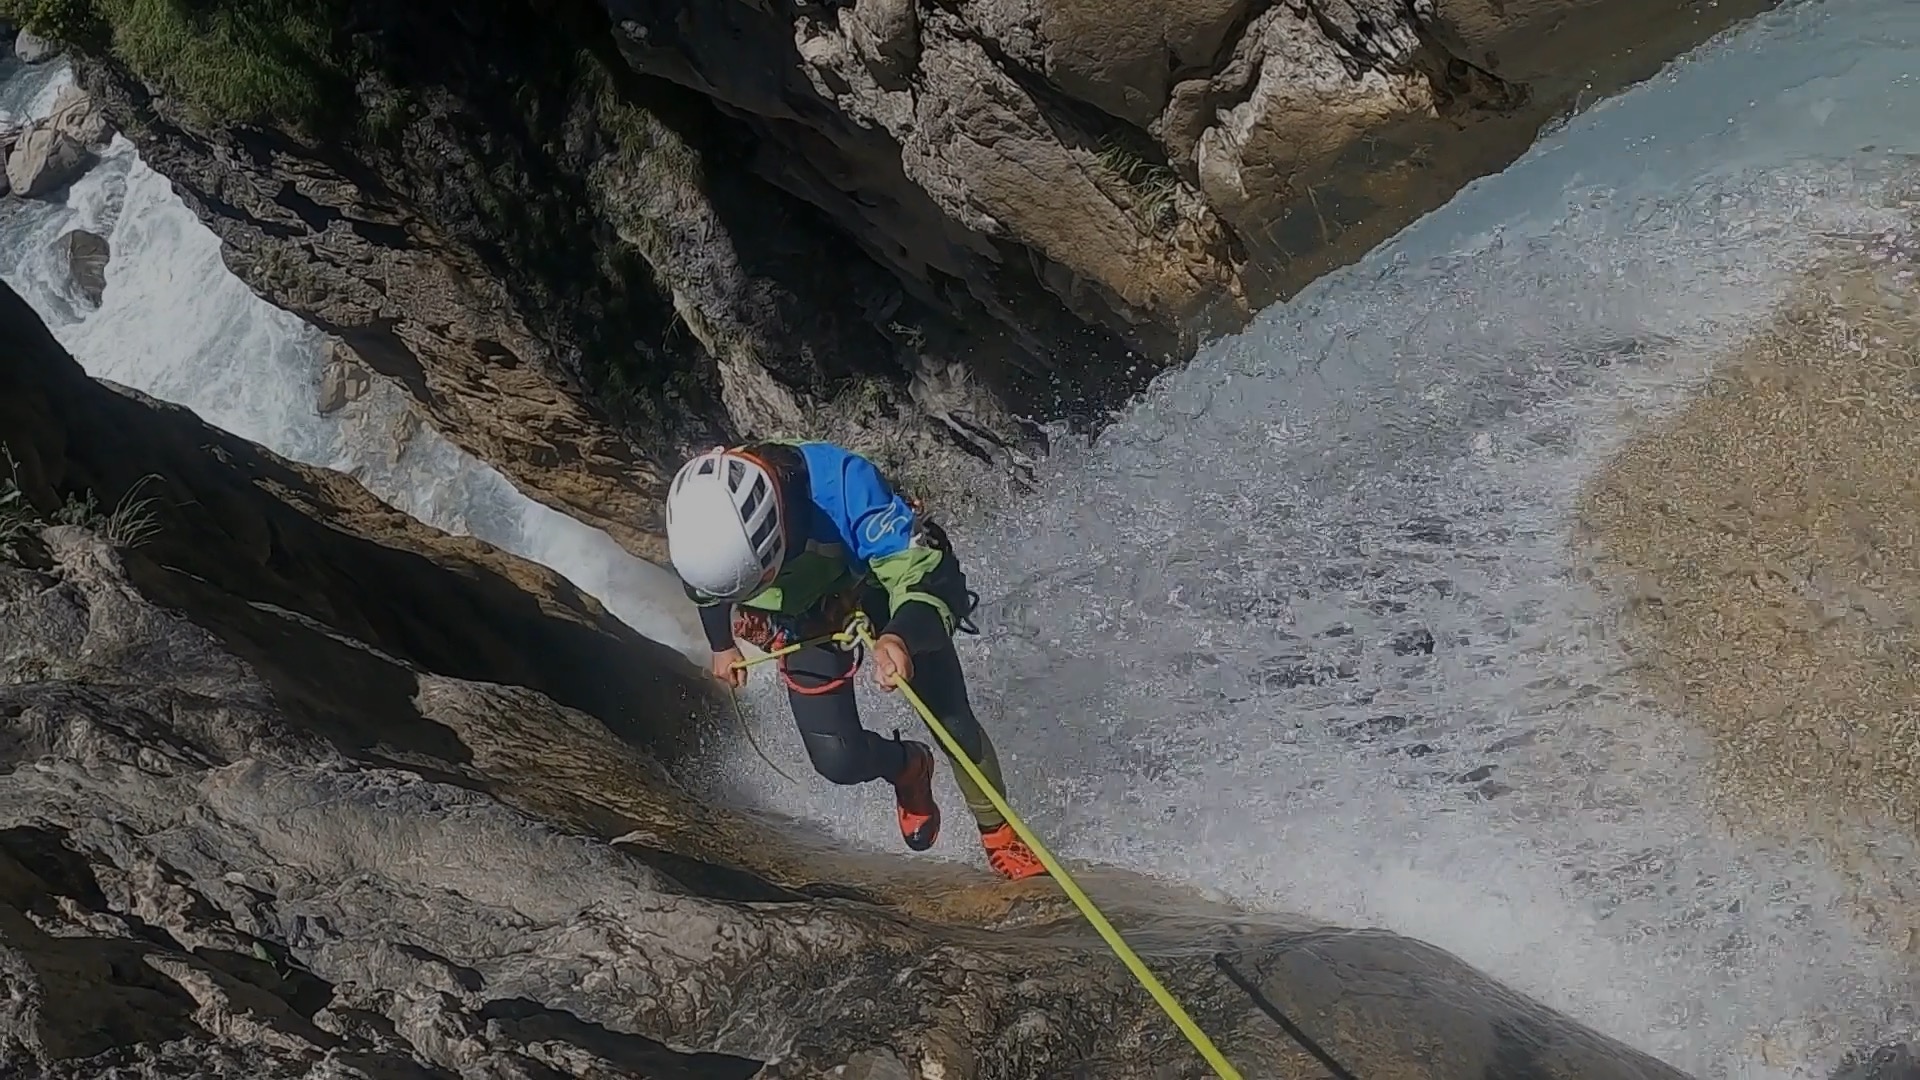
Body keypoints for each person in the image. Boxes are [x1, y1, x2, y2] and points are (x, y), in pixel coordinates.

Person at [665, 439, 1047, 881]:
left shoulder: (845, 486)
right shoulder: (701, 508)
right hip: (807, 613)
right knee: (837, 760)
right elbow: (708, 585)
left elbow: (924, 580)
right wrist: (721, 643)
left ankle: (999, 832)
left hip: (885, 586)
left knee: (947, 712)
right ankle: (909, 766)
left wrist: (900, 638)